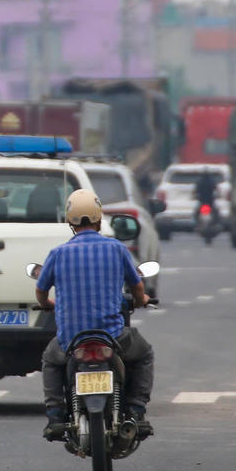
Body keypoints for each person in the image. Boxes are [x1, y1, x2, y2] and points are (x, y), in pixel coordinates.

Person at [35, 188, 155, 441]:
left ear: (70, 221)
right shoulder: (116, 249)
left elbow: (41, 289)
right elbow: (137, 286)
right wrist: (141, 299)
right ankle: (136, 410)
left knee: (50, 359)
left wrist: (46, 303)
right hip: (112, 336)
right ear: (99, 219)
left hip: (71, 340)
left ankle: (55, 416)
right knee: (144, 353)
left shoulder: (58, 253)